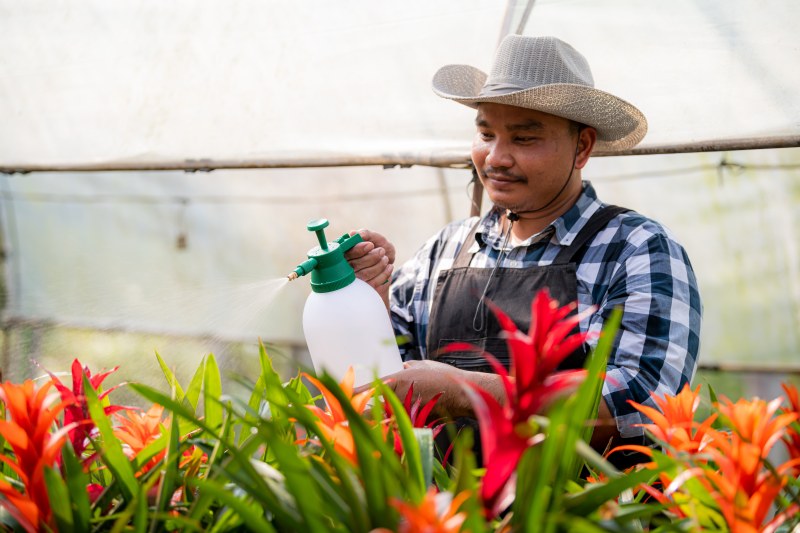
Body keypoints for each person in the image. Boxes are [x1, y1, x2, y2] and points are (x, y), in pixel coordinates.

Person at [345, 35, 702, 464]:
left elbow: (643, 402)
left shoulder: (635, 249)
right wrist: (370, 296)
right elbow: (383, 373)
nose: (496, 157)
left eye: (524, 138)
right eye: (485, 133)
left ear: (582, 146)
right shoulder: (446, 248)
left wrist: (463, 391)